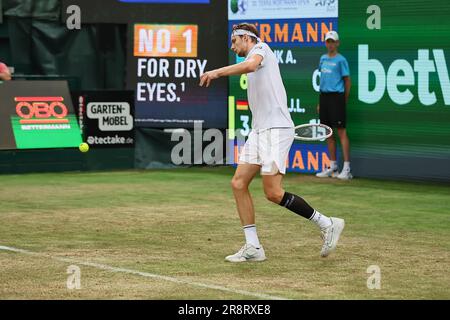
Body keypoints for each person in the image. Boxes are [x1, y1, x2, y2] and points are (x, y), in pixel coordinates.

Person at [199, 23, 345, 262]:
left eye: (234, 42)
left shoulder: (262, 49)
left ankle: (327, 224)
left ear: (246, 38)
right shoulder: (253, 54)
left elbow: (250, 65)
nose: (232, 46)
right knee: (238, 183)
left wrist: (216, 72)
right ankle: (253, 247)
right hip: (259, 131)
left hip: (276, 130)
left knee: (273, 193)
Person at [315, 31, 352, 180]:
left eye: (332, 41)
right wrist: (320, 102)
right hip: (324, 97)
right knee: (328, 133)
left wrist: (343, 100)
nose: (330, 44)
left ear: (337, 43)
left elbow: (347, 81)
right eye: (328, 41)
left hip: (337, 98)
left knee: (341, 132)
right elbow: (323, 80)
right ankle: (332, 166)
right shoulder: (322, 58)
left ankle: (347, 168)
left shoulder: (341, 60)